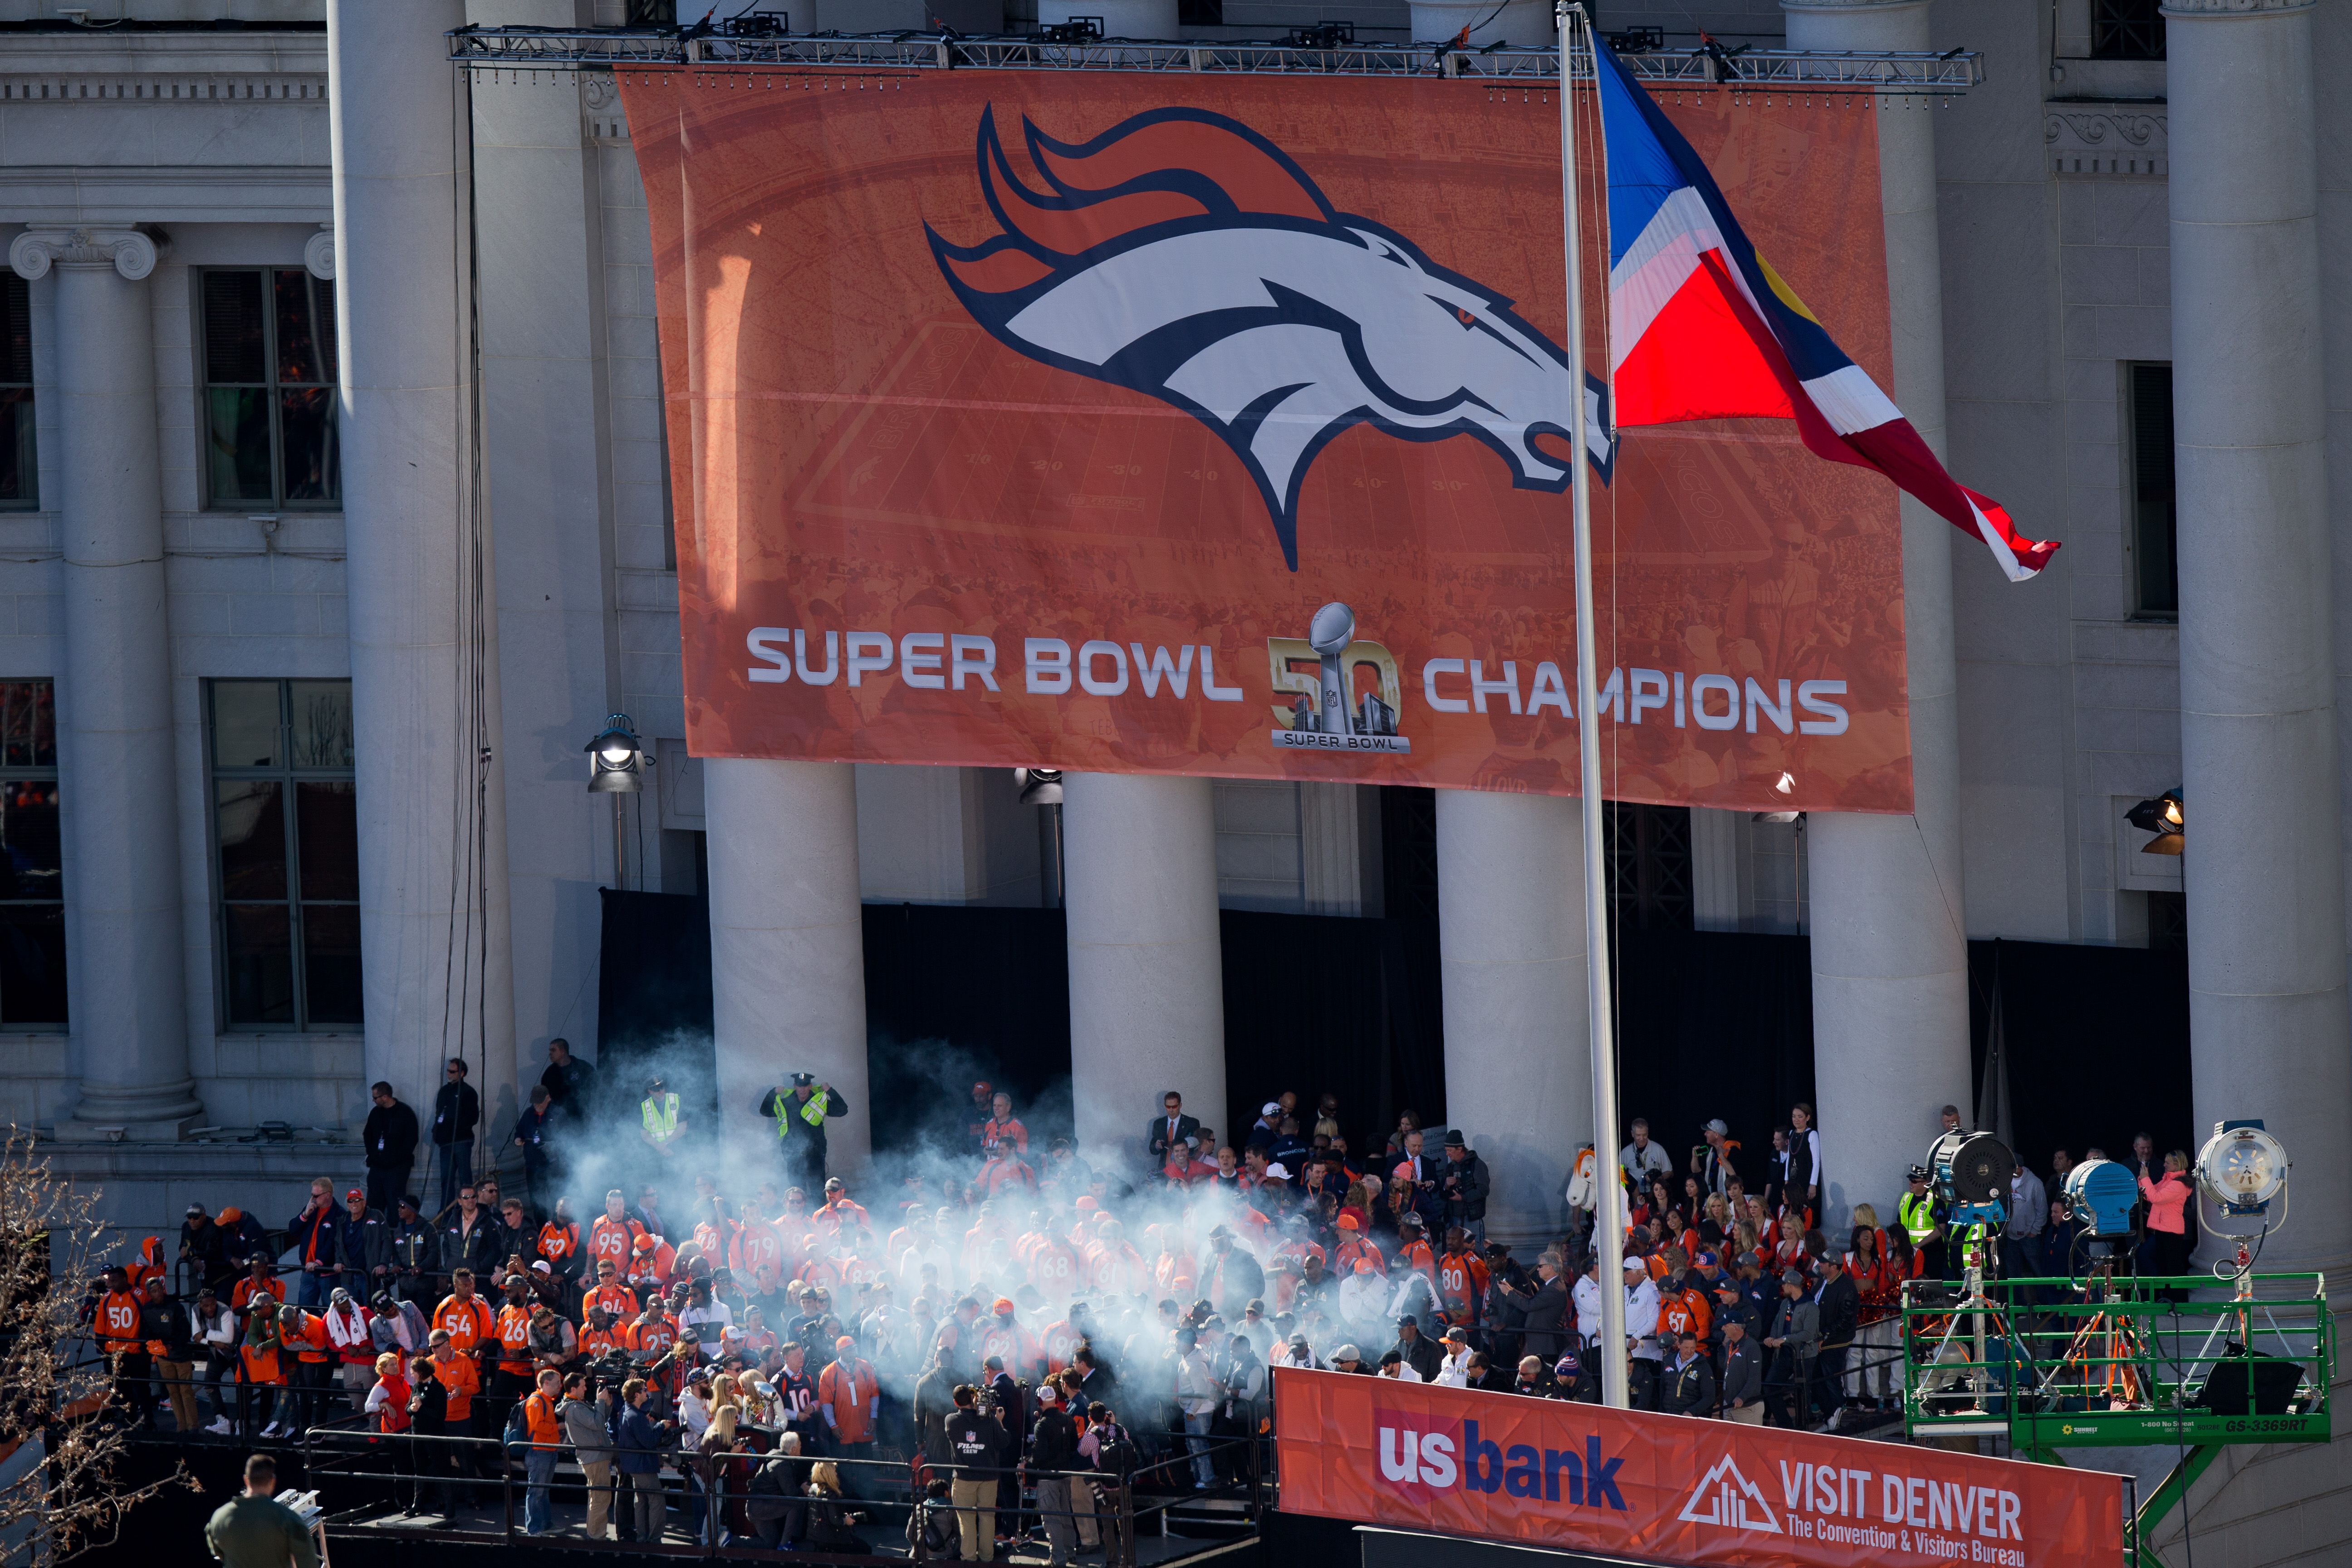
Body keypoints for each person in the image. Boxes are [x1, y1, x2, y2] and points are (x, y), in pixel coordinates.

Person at [205, 1453, 318, 1568]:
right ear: (273, 1481)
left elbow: (219, 1552)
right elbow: (308, 1564)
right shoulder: (288, 1519)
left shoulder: (219, 1518)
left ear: (246, 1480)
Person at [944, 1382, 1006, 1562]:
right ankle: (987, 1557)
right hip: (988, 1476)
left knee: (967, 1519)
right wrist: (998, 1420)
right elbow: (1004, 1441)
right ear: (973, 1398)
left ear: (955, 1403)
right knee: (987, 1517)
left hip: (964, 1478)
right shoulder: (988, 1419)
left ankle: (969, 1558)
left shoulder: (951, 1420)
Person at [759, 1073, 848, 1193]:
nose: (803, 1090)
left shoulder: (819, 1101)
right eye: (800, 1086)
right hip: (793, 1155)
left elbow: (842, 1110)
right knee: (797, 1193)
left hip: (816, 1154)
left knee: (818, 1193)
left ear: (810, 1086)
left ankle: (818, 1212)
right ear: (795, 1086)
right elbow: (765, 1111)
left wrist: (830, 1091)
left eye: (806, 1086)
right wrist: (773, 1093)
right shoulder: (786, 1102)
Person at [1027, 1383, 1082, 1568]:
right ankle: (1070, 1554)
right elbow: (1074, 1446)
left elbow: (1040, 1455)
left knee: (1051, 1519)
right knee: (1066, 1515)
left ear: (1039, 1402)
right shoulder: (1067, 1419)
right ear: (1057, 1400)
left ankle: (1057, 1560)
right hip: (1066, 1475)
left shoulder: (1042, 1425)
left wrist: (1027, 1464)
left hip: (1048, 1478)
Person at [561, 1369, 616, 1541]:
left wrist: (606, 1404)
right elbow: (598, 1423)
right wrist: (599, 1402)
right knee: (600, 1498)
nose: (586, 1389)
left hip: (595, 1457)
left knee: (598, 1497)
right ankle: (597, 1536)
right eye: (583, 1387)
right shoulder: (576, 1408)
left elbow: (600, 1421)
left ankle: (595, 1533)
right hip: (594, 1458)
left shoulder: (578, 1405)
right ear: (573, 1389)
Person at [617, 1377, 670, 1543]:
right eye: (644, 1390)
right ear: (636, 1394)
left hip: (634, 1464)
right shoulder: (636, 1417)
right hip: (643, 1465)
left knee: (641, 1501)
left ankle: (642, 1538)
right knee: (657, 1500)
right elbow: (649, 1442)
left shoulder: (628, 1411)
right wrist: (661, 1426)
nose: (647, 1392)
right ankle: (654, 1539)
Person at [363, 1082, 420, 1218]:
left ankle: (395, 1235)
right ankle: (374, 1232)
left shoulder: (405, 1113)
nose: (373, 1100)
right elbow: (368, 1134)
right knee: (374, 1204)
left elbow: (411, 1140)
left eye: (376, 1098)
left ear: (385, 1097)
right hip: (377, 1166)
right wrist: (372, 1154)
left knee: (395, 1203)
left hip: (397, 1168)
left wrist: (395, 1158)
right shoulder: (376, 1113)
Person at [431, 1058, 480, 1216]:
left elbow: (473, 1117)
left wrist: (455, 1127)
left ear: (462, 1073)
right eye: (448, 1070)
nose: (448, 1074)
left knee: (465, 1178)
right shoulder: (444, 1091)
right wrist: (437, 1131)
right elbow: (439, 1114)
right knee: (446, 1179)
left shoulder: (468, 1092)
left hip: (461, 1141)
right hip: (445, 1143)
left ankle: (469, 1211)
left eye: (452, 1071)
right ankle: (446, 1214)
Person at [2140, 1150, 2195, 1283]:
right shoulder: (2168, 1181)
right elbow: (2148, 1194)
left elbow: (2156, 1198)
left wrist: (2146, 1178)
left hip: (2171, 1232)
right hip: (2163, 1230)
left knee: (2173, 1270)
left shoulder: (2178, 1184)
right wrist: (2142, 1180)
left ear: (2177, 1165)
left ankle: (2177, 1301)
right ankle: (2167, 1299)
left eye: (2167, 1162)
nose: (2164, 1165)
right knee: (2164, 1268)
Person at [1438, 1131, 1490, 1243]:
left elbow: (1484, 1190)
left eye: (1450, 1150)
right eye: (1446, 1150)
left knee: (1475, 1251)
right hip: (1453, 1219)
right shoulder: (1450, 1168)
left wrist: (1463, 1198)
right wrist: (1446, 1186)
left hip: (1472, 1219)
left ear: (1460, 1149)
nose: (1447, 1154)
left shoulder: (1477, 1164)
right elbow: (1441, 1195)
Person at [512, 1086, 554, 1214]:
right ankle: (541, 1230)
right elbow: (519, 1131)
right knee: (537, 1203)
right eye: (534, 1102)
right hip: (533, 1167)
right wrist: (518, 1139)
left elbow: (568, 1137)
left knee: (557, 1200)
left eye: (539, 1102)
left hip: (552, 1166)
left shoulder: (557, 1113)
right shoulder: (529, 1114)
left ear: (548, 1099)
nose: (536, 1105)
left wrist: (554, 1145)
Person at [542, 1037, 598, 1127]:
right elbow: (546, 1096)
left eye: (554, 1050)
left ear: (563, 1051)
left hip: (584, 1114)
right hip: (561, 1118)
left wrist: (591, 1109)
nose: (551, 1054)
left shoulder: (582, 1067)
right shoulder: (550, 1073)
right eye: (550, 1051)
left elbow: (596, 1087)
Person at [1718, 1313, 1764, 1423]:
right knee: (1730, 1440)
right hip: (1729, 1404)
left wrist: (1742, 1397)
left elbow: (1754, 1377)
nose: (1722, 1328)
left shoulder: (1752, 1347)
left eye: (1726, 1326)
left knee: (1749, 1440)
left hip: (1747, 1406)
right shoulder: (1729, 1344)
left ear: (1736, 1328)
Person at [1661, 1330, 1716, 1417]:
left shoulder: (1703, 1367)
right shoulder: (1668, 1360)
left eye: (1693, 1348)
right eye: (1686, 1348)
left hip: (1689, 1418)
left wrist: (1692, 1412)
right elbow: (1663, 1388)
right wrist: (1661, 1411)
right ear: (1679, 1345)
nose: (1689, 1351)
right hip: (1667, 1415)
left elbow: (1709, 1397)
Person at [1622, 1119, 1672, 1188]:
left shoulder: (1658, 1149)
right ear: (1632, 1134)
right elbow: (1618, 1173)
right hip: (1635, 1194)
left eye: (1644, 1135)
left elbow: (1669, 1172)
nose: (1642, 1138)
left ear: (1648, 1133)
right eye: (1638, 1135)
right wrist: (1631, 1185)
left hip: (1654, 1192)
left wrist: (1658, 1180)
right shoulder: (1626, 1152)